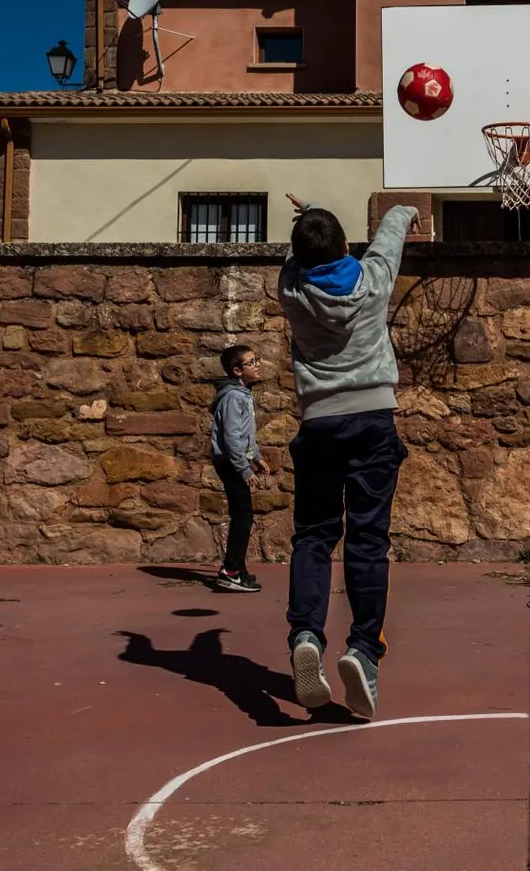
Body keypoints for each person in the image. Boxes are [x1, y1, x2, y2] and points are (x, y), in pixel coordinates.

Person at [277, 193, 418, 720]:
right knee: (367, 538)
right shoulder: (374, 280)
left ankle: (307, 633)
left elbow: (302, 253)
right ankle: (363, 650)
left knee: (314, 534)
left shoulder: (291, 288)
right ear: (344, 246)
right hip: (372, 418)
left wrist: (309, 215)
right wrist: (405, 211)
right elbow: (391, 231)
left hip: (318, 422)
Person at [209, 344, 267, 593]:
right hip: (230, 462)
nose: (257, 365)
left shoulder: (243, 393)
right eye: (251, 362)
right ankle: (231, 571)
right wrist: (244, 469)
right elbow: (232, 437)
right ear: (237, 370)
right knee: (242, 516)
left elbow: (246, 435)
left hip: (237, 461)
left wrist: (256, 457)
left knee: (244, 516)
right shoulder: (233, 397)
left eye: (257, 360)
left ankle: (236, 569)